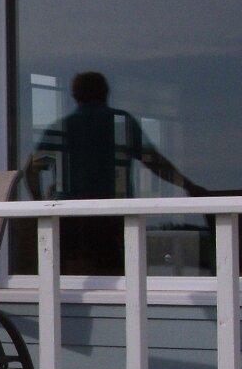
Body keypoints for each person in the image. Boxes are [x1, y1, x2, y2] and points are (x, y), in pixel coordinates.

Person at [25, 72, 207, 273]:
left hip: (70, 218)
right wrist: (188, 185)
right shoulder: (120, 124)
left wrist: (40, 205)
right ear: (106, 93)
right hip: (111, 215)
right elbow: (154, 162)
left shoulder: (62, 128)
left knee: (71, 276)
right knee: (114, 275)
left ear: (75, 96)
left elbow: (32, 171)